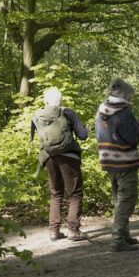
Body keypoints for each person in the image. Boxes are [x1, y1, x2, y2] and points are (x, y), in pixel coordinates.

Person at [95, 78, 139, 252]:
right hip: (125, 161)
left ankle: (124, 235)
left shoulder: (102, 109)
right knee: (127, 200)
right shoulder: (124, 111)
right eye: (131, 96)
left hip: (108, 159)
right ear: (125, 94)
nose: (131, 99)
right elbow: (132, 137)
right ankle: (117, 239)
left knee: (118, 198)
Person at [31, 87, 89, 242]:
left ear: (45, 101)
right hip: (69, 156)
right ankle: (73, 231)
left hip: (49, 157)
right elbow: (83, 135)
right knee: (75, 193)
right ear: (61, 100)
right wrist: (86, 128)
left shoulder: (37, 115)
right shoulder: (68, 112)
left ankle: (54, 231)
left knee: (56, 194)